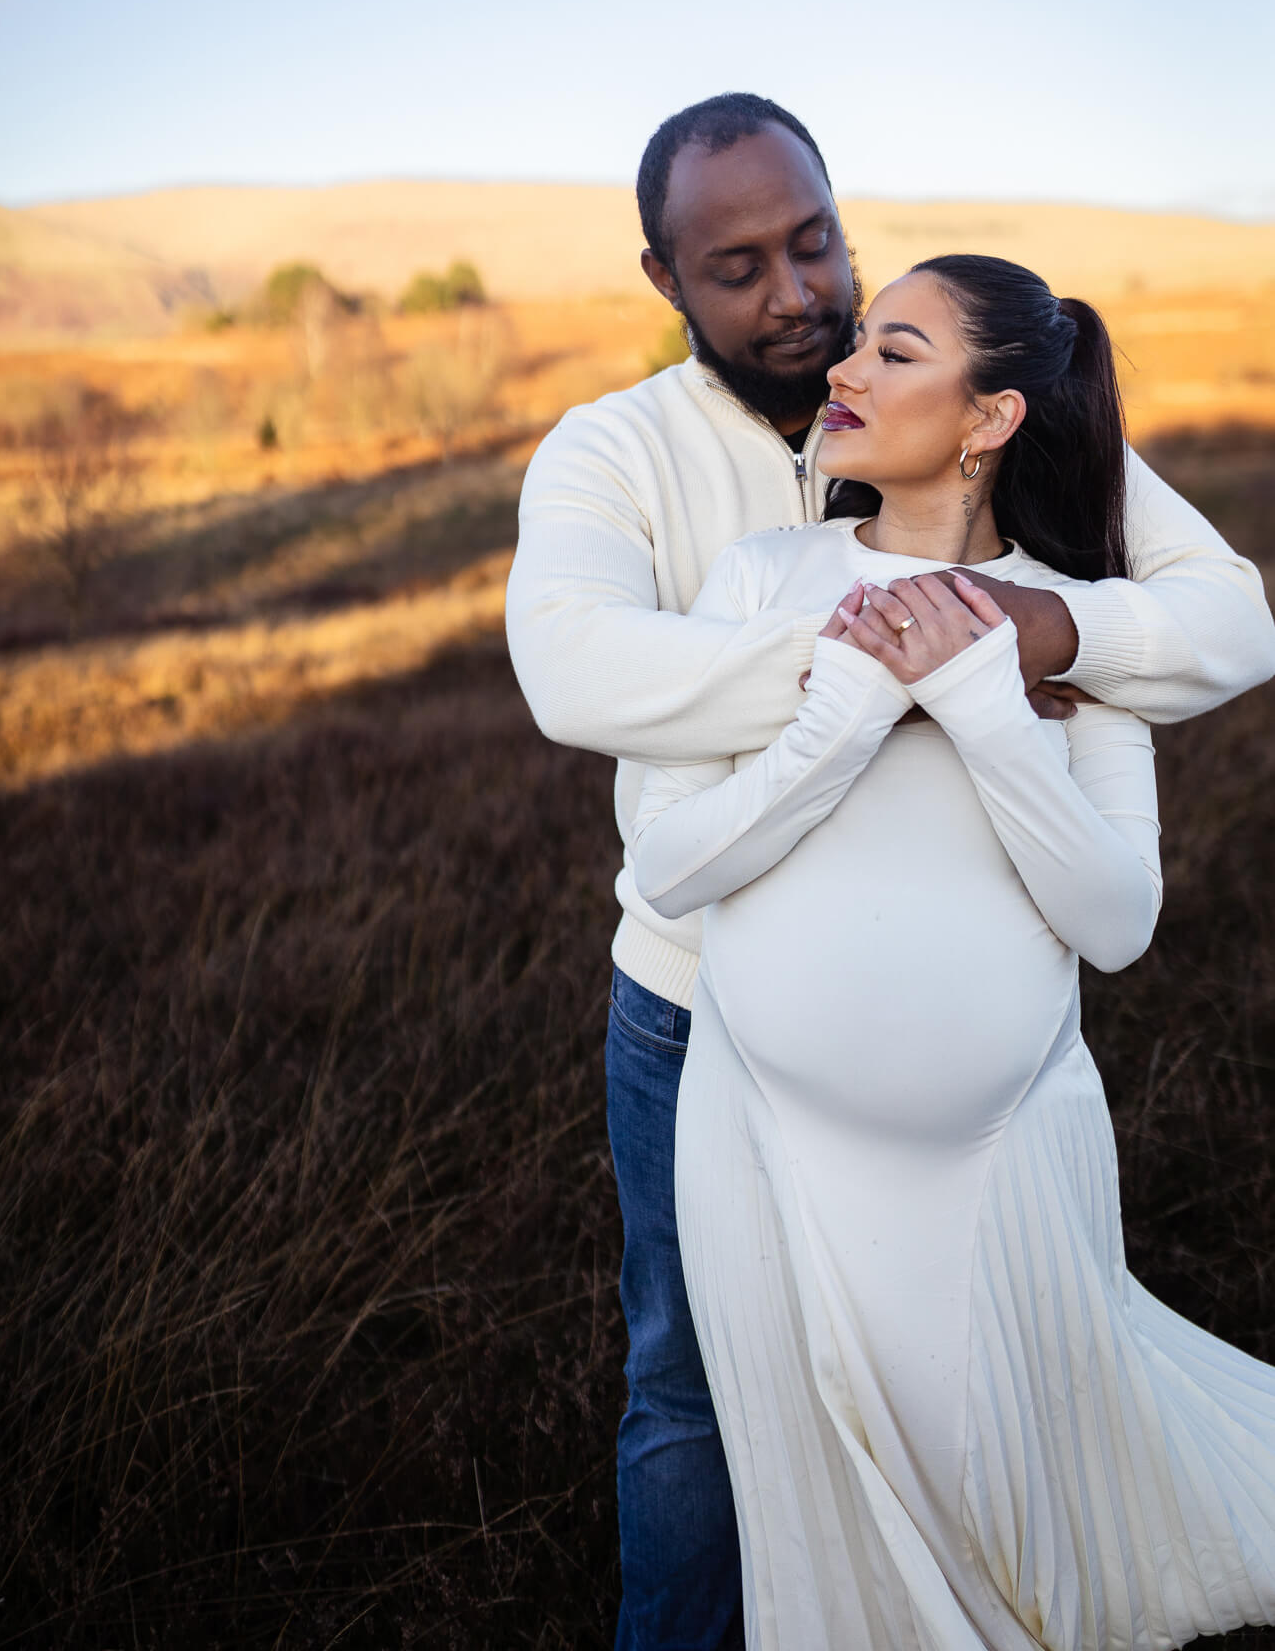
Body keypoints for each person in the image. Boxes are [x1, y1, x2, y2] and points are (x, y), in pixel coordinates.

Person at [503, 96, 1275, 1651]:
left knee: (996, 1430)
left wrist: (1049, 633)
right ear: (664, 278)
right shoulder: (622, 453)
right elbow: (575, 674)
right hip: (696, 1020)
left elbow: (1226, 622)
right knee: (690, 1388)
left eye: (814, 241)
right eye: (739, 265)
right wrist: (877, 652)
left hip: (981, 1105)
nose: (800, 295)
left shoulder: (994, 385)